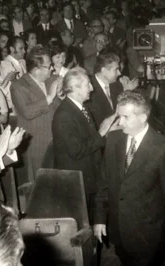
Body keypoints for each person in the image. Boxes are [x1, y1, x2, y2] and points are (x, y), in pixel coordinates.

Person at [94, 91, 165, 266]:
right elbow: (104, 183)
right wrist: (99, 219)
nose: (119, 121)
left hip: (147, 230)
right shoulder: (114, 140)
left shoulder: (164, 149)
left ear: (142, 117)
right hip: (118, 228)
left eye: (125, 117)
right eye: (119, 116)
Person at [52, 68, 118, 218]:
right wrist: (101, 132)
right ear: (75, 88)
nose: (92, 88)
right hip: (76, 181)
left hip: (88, 175)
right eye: (88, 84)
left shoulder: (81, 108)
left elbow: (89, 139)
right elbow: (77, 150)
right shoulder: (64, 115)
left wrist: (107, 131)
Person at [10, 47, 62, 183]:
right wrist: (50, 97)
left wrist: (61, 97)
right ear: (37, 68)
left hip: (57, 140)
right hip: (37, 143)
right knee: (40, 184)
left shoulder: (53, 80)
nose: (52, 68)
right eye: (49, 65)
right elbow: (27, 112)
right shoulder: (18, 86)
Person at [85, 52, 124, 128]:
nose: (119, 73)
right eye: (116, 70)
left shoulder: (117, 86)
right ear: (103, 70)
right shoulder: (88, 88)